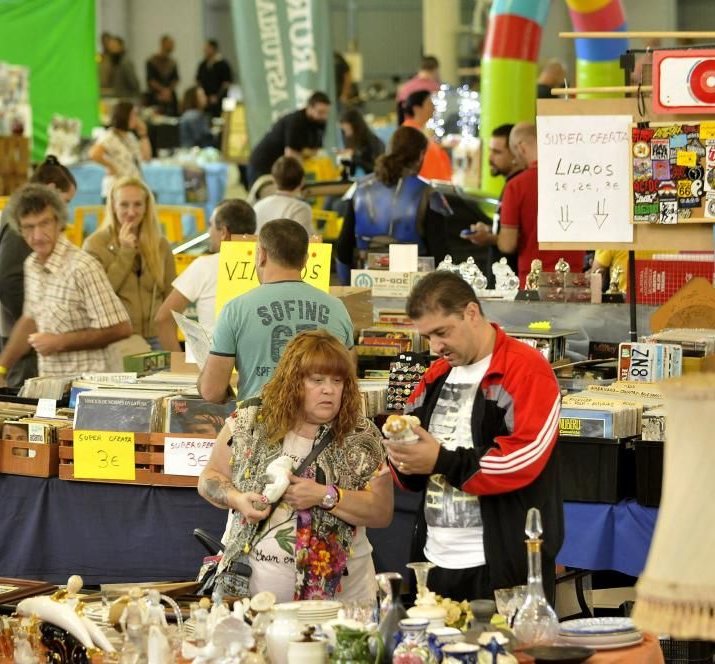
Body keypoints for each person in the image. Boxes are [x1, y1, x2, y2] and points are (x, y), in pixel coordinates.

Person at [386, 271, 563, 602]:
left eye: (442, 332)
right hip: (434, 560)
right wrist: (402, 458)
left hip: (504, 569)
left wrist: (441, 460)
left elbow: (523, 457)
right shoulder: (436, 374)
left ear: (471, 313)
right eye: (428, 337)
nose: (436, 347)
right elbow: (410, 452)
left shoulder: (527, 370)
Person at [198, 329, 393, 601]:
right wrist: (237, 499)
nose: (329, 389)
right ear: (292, 382)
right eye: (317, 380)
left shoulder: (362, 435)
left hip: (343, 601)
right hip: (253, 598)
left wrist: (324, 495)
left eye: (338, 381)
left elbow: (382, 512)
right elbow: (210, 478)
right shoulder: (249, 422)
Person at [0, 184, 132, 388]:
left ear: (59, 222)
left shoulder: (82, 267)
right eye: (29, 227)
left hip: (92, 390)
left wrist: (59, 342)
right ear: (19, 229)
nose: (38, 235)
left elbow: (121, 328)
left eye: (44, 223)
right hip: (53, 388)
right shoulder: (31, 265)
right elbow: (30, 320)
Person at [199, 218, 355, 403]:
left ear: (261, 255)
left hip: (259, 426)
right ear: (305, 260)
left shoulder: (235, 310)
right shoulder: (336, 308)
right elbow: (349, 380)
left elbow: (212, 392)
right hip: (321, 427)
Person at [0, 156, 78, 387]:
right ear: (51, 190)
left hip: (19, 337)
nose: (64, 211)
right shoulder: (23, 220)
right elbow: (9, 282)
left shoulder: (16, 213)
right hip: (22, 343)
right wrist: (40, 324)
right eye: (65, 201)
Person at [465, 123, 583, 284]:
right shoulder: (578, 180)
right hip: (575, 279)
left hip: (532, 282)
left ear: (521, 148)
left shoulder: (517, 185)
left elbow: (507, 245)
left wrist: (490, 238)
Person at [336, 126, 449, 283]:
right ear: (421, 155)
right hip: (415, 288)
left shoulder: (359, 188)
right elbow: (441, 255)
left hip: (365, 283)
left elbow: (343, 249)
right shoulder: (429, 193)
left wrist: (348, 290)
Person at [83, 177, 175, 347]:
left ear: (147, 207)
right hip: (119, 340)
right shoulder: (94, 245)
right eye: (124, 205)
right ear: (113, 206)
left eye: (138, 204)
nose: (131, 212)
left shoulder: (161, 244)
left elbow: (171, 295)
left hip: (158, 338)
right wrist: (125, 253)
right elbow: (99, 296)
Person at [155, 199, 257, 352]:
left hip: (210, 365)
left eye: (210, 225)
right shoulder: (269, 265)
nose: (209, 232)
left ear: (223, 232)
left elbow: (163, 319)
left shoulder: (204, 266)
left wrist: (179, 365)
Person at [248, 91, 331, 186]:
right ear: (309, 107)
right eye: (320, 112)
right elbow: (291, 156)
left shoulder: (320, 122)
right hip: (263, 165)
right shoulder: (295, 121)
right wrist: (300, 178)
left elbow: (315, 151)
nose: (324, 116)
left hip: (280, 168)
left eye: (326, 113)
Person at [477, 123, 520, 275]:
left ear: (515, 154)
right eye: (490, 151)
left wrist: (488, 238)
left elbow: (514, 241)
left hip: (511, 278)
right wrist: (490, 230)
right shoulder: (510, 184)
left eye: (497, 152)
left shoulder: (518, 186)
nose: (490, 158)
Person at [88, 101, 152, 199]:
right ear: (125, 116)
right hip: (116, 187)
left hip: (133, 185)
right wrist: (111, 167)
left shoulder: (130, 136)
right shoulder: (110, 136)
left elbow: (146, 157)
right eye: (133, 115)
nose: (136, 119)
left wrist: (143, 133)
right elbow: (93, 154)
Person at [253, 156, 313, 234]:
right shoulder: (301, 209)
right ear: (302, 181)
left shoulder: (257, 206)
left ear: (273, 180)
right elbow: (306, 242)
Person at [401, 90, 452, 181]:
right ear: (417, 108)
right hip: (425, 188)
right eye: (430, 104)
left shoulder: (421, 132)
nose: (433, 108)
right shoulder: (408, 134)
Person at [339, 108, 385, 176]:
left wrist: (354, 157)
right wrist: (345, 160)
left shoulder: (373, 142)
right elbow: (351, 172)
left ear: (356, 127)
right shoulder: (350, 140)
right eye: (344, 131)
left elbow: (375, 169)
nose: (346, 134)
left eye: (348, 130)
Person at [196, 39, 234, 116]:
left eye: (207, 48)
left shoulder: (223, 64)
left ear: (213, 49)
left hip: (220, 100)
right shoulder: (203, 65)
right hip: (206, 100)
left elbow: (227, 83)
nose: (204, 50)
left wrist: (217, 96)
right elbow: (198, 81)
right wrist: (203, 96)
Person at [146, 35, 180, 116]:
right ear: (163, 44)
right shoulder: (152, 61)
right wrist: (163, 91)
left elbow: (176, 79)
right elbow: (151, 80)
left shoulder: (172, 63)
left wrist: (168, 91)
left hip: (170, 97)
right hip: (156, 96)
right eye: (170, 43)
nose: (172, 46)